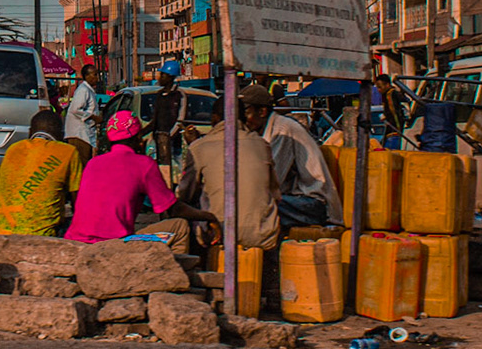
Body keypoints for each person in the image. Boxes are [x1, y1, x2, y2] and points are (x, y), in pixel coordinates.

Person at [64, 110, 215, 252]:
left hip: (78, 241)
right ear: (138, 138)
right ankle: (167, 276)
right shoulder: (143, 164)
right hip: (115, 244)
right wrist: (208, 216)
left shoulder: (93, 163)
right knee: (180, 227)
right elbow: (172, 209)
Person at [175, 104, 282, 252]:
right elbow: (275, 193)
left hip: (221, 234)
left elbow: (185, 195)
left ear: (215, 118)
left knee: (191, 208)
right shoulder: (261, 144)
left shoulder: (199, 147)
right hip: (263, 235)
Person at [240, 84, 343, 227]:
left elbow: (273, 181)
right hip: (295, 199)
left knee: (257, 207)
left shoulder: (282, 130)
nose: (241, 119)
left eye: (245, 112)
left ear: (262, 111)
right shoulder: (265, 132)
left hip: (314, 204)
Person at [0, 109, 83, 236]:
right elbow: (77, 200)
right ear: (61, 135)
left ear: (30, 132)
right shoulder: (68, 152)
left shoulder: (13, 149)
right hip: (41, 234)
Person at [64, 63, 105, 159]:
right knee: (83, 162)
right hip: (79, 135)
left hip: (86, 134)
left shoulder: (88, 90)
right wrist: (93, 117)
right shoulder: (83, 90)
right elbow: (75, 109)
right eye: (94, 75)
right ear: (86, 76)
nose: (96, 78)